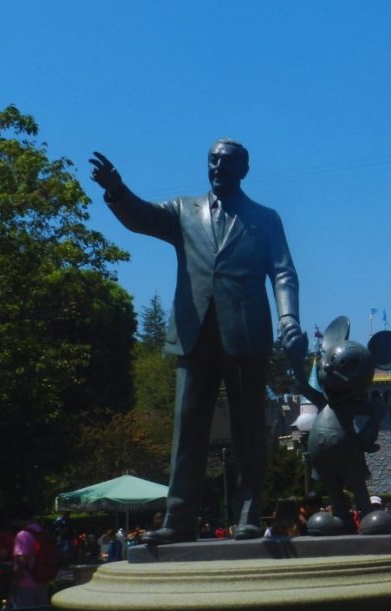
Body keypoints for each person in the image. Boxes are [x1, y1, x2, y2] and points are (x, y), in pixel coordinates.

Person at [90, 140, 306, 543]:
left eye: (225, 162)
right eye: (212, 161)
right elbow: (142, 218)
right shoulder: (182, 211)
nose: (216, 167)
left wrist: (288, 316)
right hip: (194, 333)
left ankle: (248, 514)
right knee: (187, 429)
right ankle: (178, 519)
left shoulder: (265, 218)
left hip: (245, 335)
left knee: (248, 429)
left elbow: (283, 273)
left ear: (243, 169)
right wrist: (117, 191)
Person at [10, 518, 52, 611]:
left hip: (26, 584)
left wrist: (14, 583)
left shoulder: (22, 535)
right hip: (42, 581)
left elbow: (23, 560)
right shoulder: (42, 531)